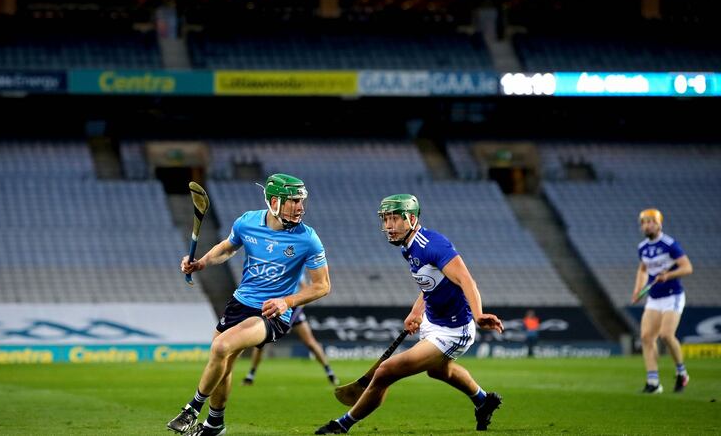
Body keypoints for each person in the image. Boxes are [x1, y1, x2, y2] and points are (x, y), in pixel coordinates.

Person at [315, 194, 504, 434]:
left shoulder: (432, 245)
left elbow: (467, 280)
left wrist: (479, 315)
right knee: (438, 371)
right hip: (432, 321)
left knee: (384, 372)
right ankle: (483, 400)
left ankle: (341, 425)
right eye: (385, 220)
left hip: (454, 331)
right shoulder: (408, 247)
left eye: (394, 219)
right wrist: (416, 312)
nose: (389, 226)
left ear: (412, 218)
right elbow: (430, 285)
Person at [167, 173, 331, 436]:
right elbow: (227, 248)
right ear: (274, 202)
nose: (300, 207)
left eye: (302, 201)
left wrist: (285, 302)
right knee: (224, 360)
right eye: (293, 201)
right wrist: (201, 263)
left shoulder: (308, 238)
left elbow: (322, 285)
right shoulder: (247, 222)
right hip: (240, 303)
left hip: (271, 312)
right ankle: (214, 424)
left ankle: (191, 409)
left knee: (221, 346)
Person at [633, 208, 693, 394]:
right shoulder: (642, 247)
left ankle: (681, 373)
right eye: (644, 222)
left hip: (672, 295)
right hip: (654, 297)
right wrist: (638, 290)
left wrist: (668, 275)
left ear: (659, 224)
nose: (647, 225)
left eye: (651, 221)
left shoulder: (670, 244)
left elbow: (687, 267)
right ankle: (653, 382)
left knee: (666, 335)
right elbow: (643, 269)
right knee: (646, 337)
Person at [242, 272, 339, 386]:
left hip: (293, 309)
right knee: (261, 343)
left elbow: (304, 290)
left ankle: (329, 372)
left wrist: (292, 315)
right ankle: (251, 374)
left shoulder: (296, 267)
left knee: (310, 342)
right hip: (274, 308)